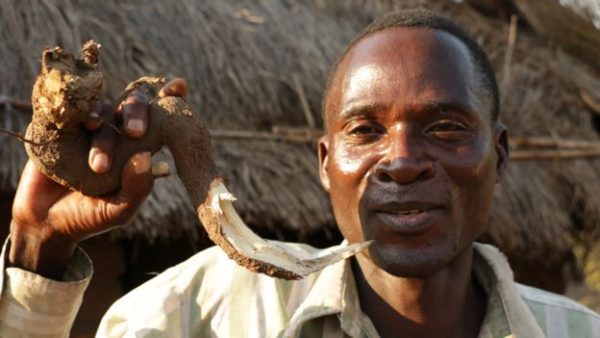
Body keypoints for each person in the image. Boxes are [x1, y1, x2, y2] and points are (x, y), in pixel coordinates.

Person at [1, 8, 599, 338]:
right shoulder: (198, 314)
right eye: (365, 131)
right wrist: (39, 245)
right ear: (323, 163)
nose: (403, 161)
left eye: (445, 129)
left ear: (498, 156)